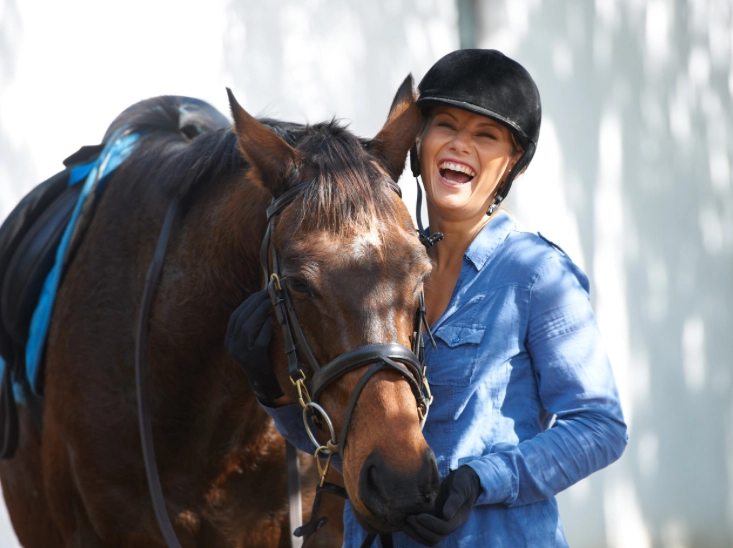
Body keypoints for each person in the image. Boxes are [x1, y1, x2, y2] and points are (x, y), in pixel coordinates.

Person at [226, 48, 627, 547]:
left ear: (513, 165)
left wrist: (481, 480)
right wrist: (272, 392)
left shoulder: (537, 275)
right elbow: (340, 443)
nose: (461, 146)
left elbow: (600, 428)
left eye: (486, 136)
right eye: (447, 126)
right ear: (417, 145)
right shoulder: (368, 277)